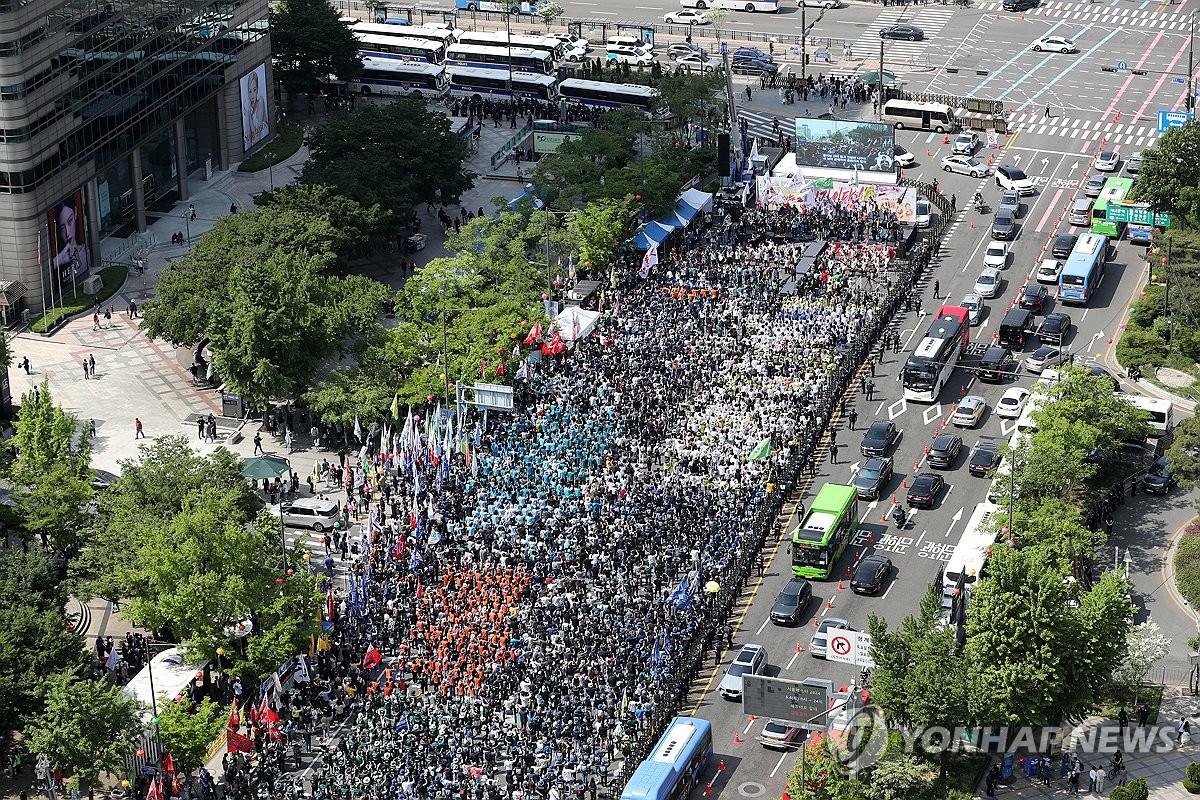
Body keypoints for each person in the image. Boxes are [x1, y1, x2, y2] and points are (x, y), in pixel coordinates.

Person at [51, 197, 89, 282]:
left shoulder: (85, 251)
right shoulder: (60, 260)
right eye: (62, 228)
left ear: (75, 213)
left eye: (70, 221)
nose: (67, 233)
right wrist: (59, 260)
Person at [241, 66, 270, 150]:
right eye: (250, 91)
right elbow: (249, 142)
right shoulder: (248, 108)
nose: (252, 95)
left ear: (257, 90)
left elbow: (257, 138)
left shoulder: (260, 101)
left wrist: (249, 117)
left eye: (254, 90)